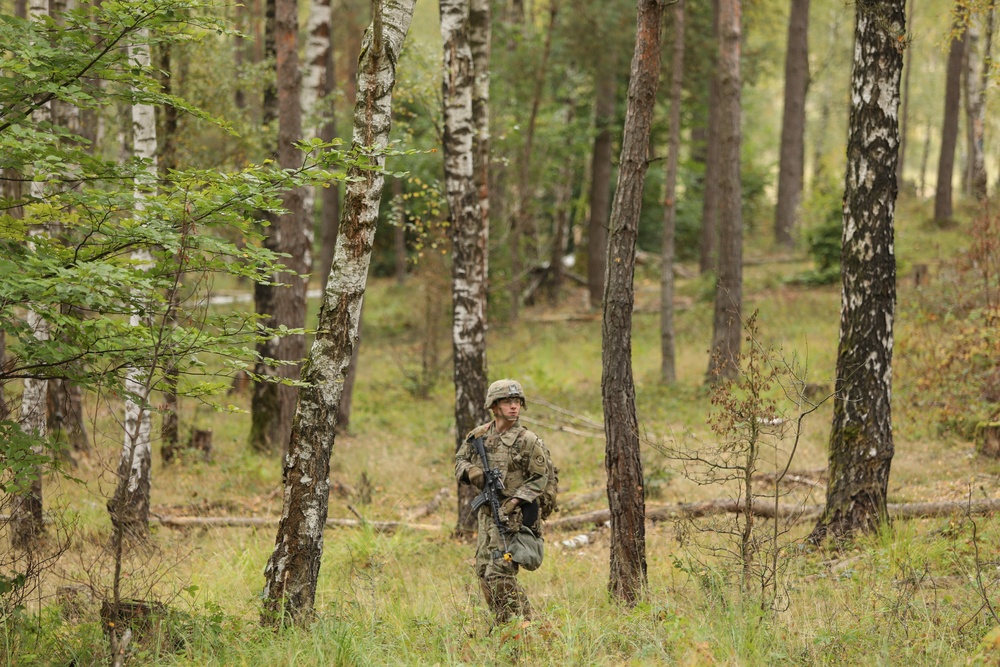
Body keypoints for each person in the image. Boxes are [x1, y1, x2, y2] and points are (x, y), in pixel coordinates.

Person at [455, 378, 549, 623]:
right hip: (486, 517)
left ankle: (528, 625)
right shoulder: (479, 436)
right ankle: (503, 625)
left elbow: (541, 478)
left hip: (512, 520)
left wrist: (515, 501)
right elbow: (459, 461)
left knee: (500, 573)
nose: (514, 407)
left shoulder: (528, 441)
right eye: (507, 402)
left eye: (517, 402)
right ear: (494, 406)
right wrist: (471, 472)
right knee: (484, 574)